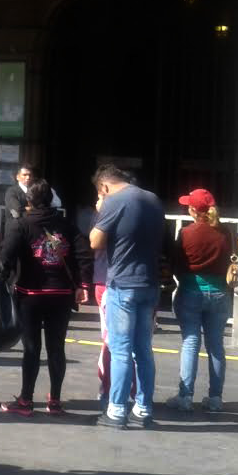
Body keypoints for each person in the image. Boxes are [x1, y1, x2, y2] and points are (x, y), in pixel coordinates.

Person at [0, 179, 93, 417]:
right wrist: (82, 285)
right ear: (51, 201)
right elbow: (84, 254)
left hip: (30, 294)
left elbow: (6, 257)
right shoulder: (66, 225)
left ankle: (26, 400)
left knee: (31, 348)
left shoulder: (20, 225)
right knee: (56, 348)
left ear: (28, 200)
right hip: (61, 294)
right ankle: (55, 401)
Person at [89, 164, 165, 430]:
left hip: (123, 284)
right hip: (150, 282)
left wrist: (101, 211)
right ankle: (143, 409)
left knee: (120, 349)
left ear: (104, 187)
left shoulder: (114, 201)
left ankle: (116, 410)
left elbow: (95, 242)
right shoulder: (152, 199)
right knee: (143, 349)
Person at [166, 188, 237, 413]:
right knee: (216, 346)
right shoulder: (229, 233)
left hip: (190, 291)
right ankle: (215, 398)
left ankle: (185, 396)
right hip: (220, 294)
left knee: (190, 342)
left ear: (193, 210)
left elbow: (176, 264)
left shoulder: (186, 234)